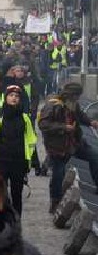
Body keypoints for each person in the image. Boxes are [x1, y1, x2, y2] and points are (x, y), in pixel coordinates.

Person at [39, 82, 98, 212]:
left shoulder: (73, 104)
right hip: (58, 146)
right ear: (71, 95)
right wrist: (63, 127)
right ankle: (55, 202)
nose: (78, 99)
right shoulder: (52, 106)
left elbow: (80, 115)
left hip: (74, 143)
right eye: (77, 96)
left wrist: (90, 122)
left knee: (94, 156)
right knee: (58, 174)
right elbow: (43, 124)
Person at [0, 85, 37, 216]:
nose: (14, 98)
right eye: (11, 95)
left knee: (17, 195)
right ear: (5, 97)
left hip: (18, 162)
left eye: (17, 96)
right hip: (0, 161)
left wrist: (34, 161)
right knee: (0, 194)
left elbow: (31, 140)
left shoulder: (25, 118)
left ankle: (16, 223)